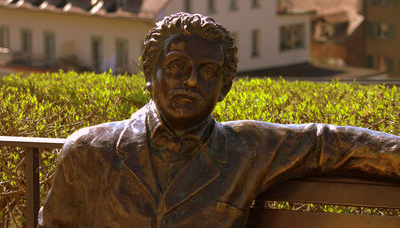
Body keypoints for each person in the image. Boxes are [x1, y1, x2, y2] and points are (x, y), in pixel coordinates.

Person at [39, 12, 400, 228]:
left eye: (208, 72)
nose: (192, 80)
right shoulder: (89, 150)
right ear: (150, 74)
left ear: (224, 88)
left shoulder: (247, 148)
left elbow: (327, 142)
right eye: (178, 66)